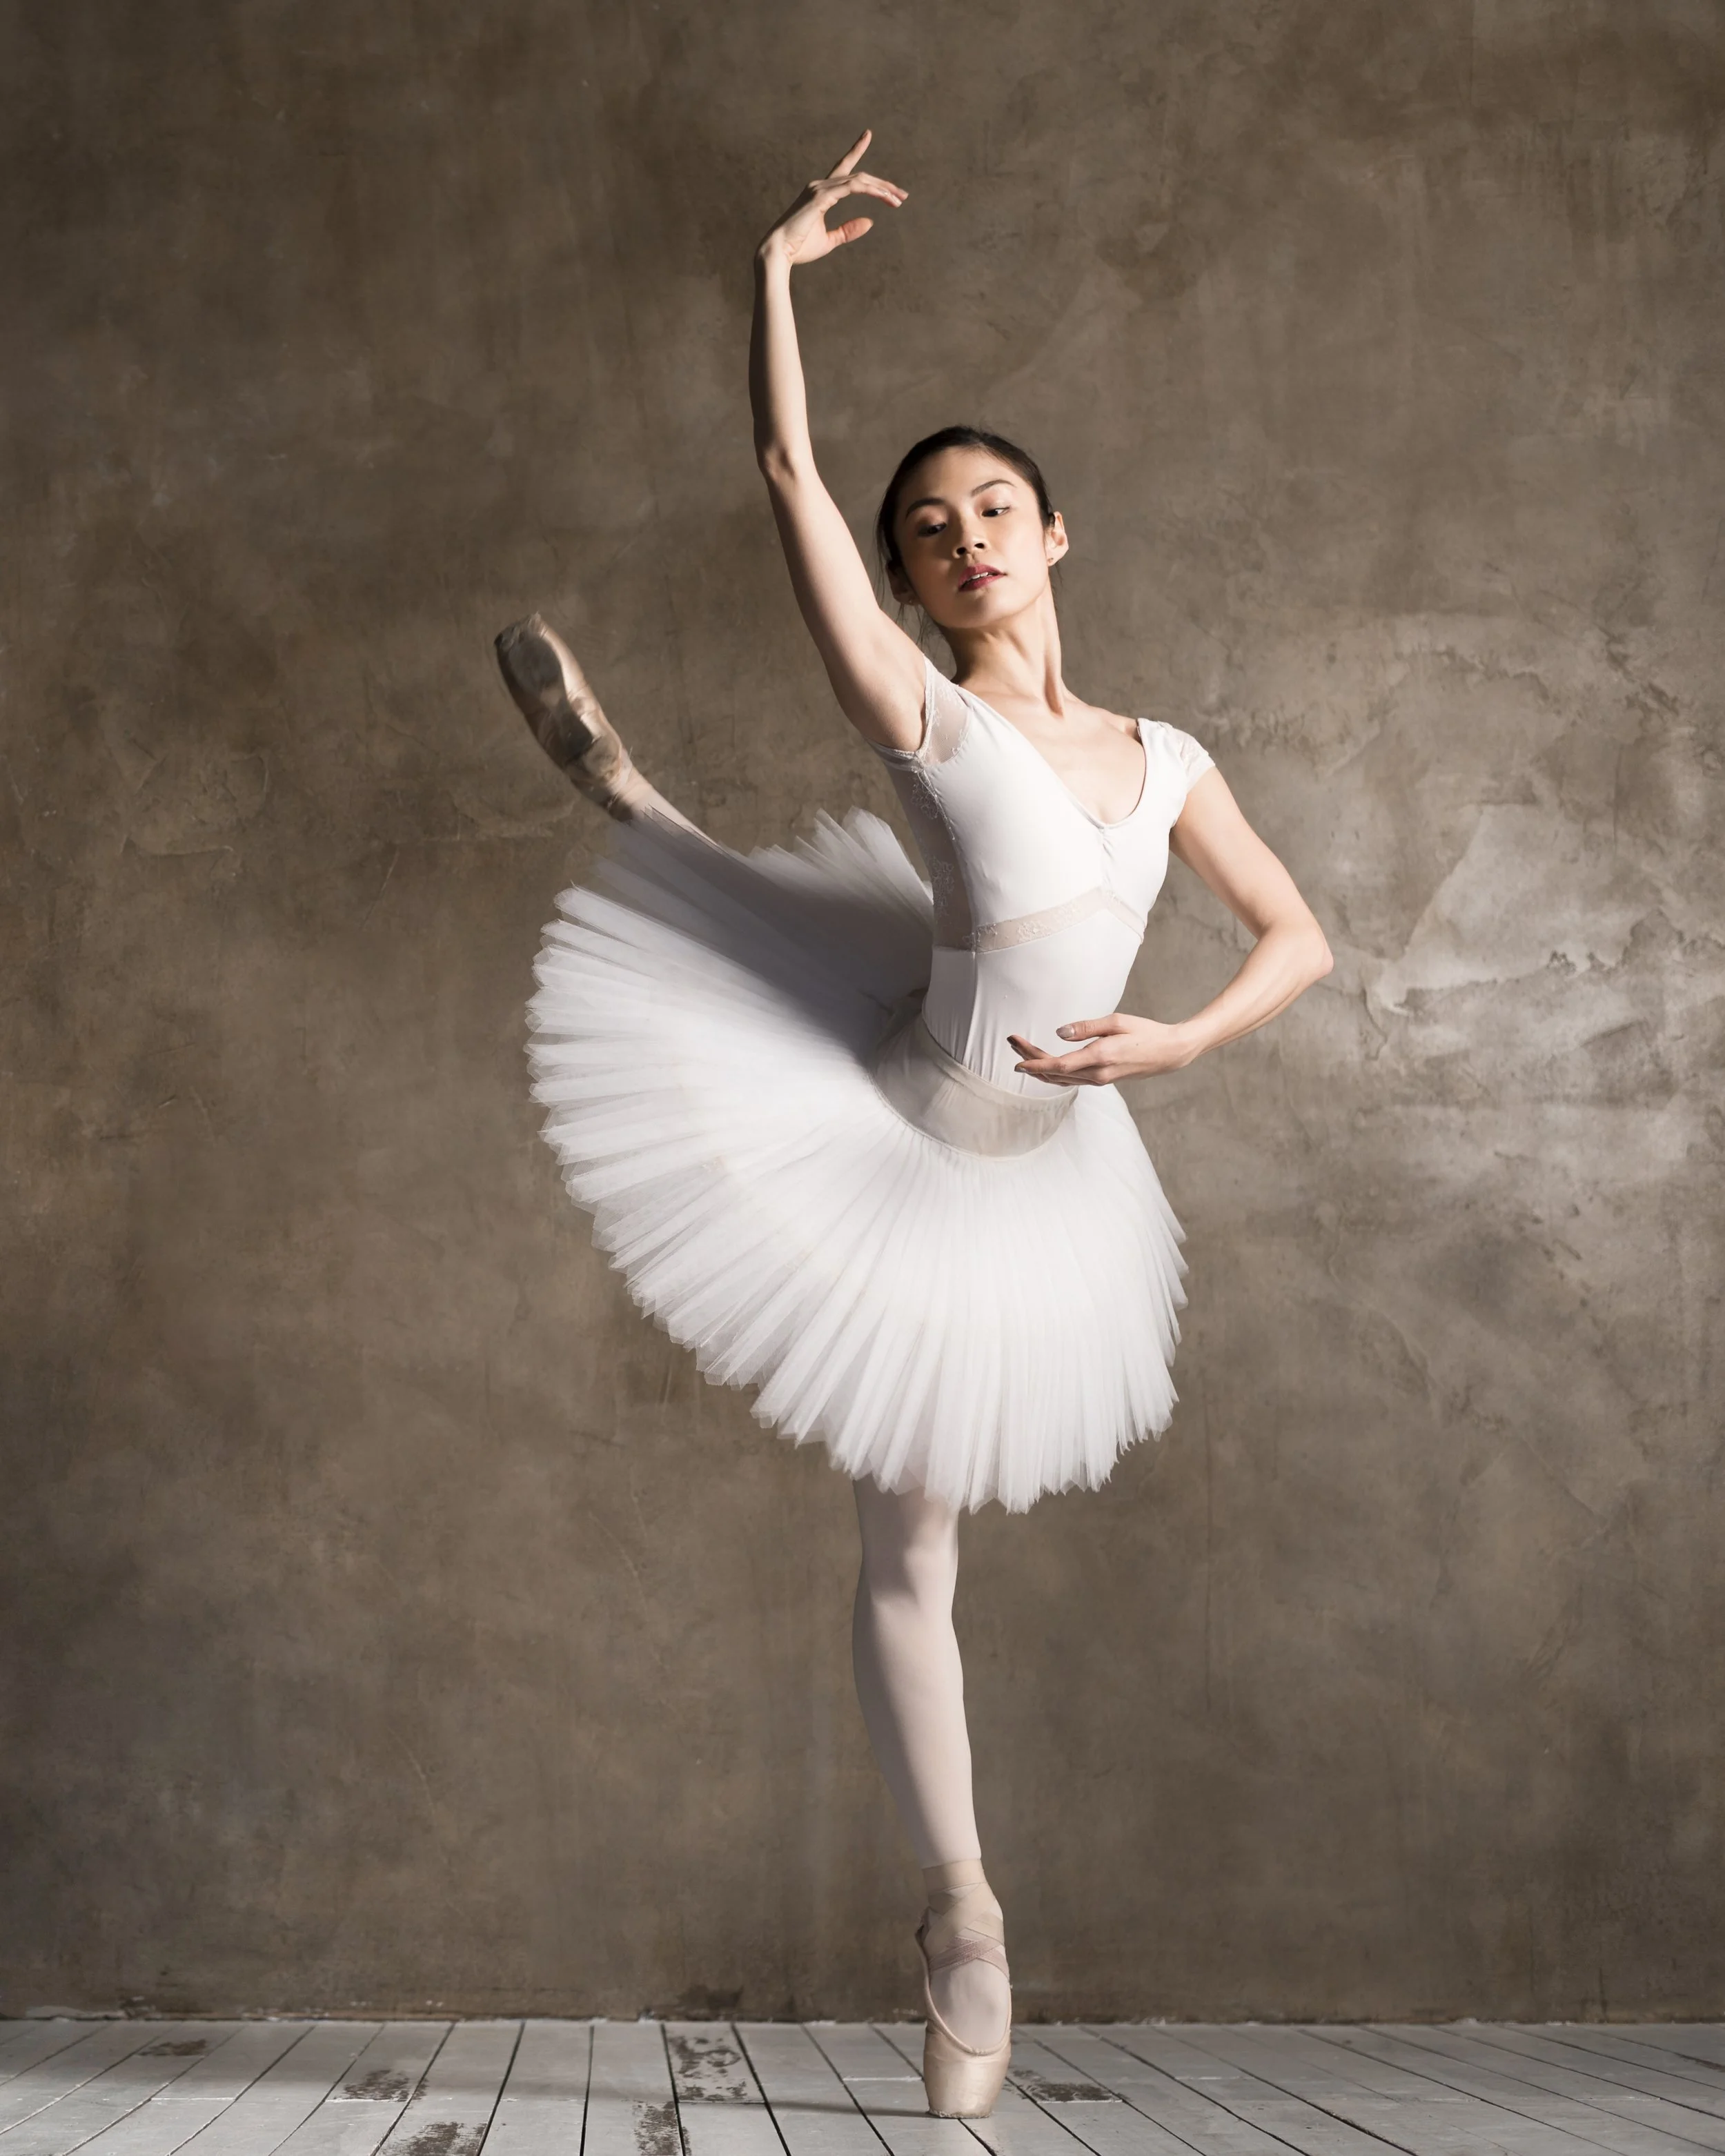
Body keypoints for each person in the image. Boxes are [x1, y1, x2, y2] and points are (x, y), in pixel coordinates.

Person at [496, 132, 1332, 2115]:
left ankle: (647, 813)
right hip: (907, 1146)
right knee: (910, 1553)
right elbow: (787, 469)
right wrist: (773, 275)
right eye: (929, 529)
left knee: (827, 947)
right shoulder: (920, 714)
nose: (965, 539)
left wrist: (1180, 1043)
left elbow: (1298, 935)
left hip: (1055, 1167)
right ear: (907, 583)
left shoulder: (1167, 755)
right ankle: (963, 1915)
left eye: (994, 510)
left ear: (1056, 536)